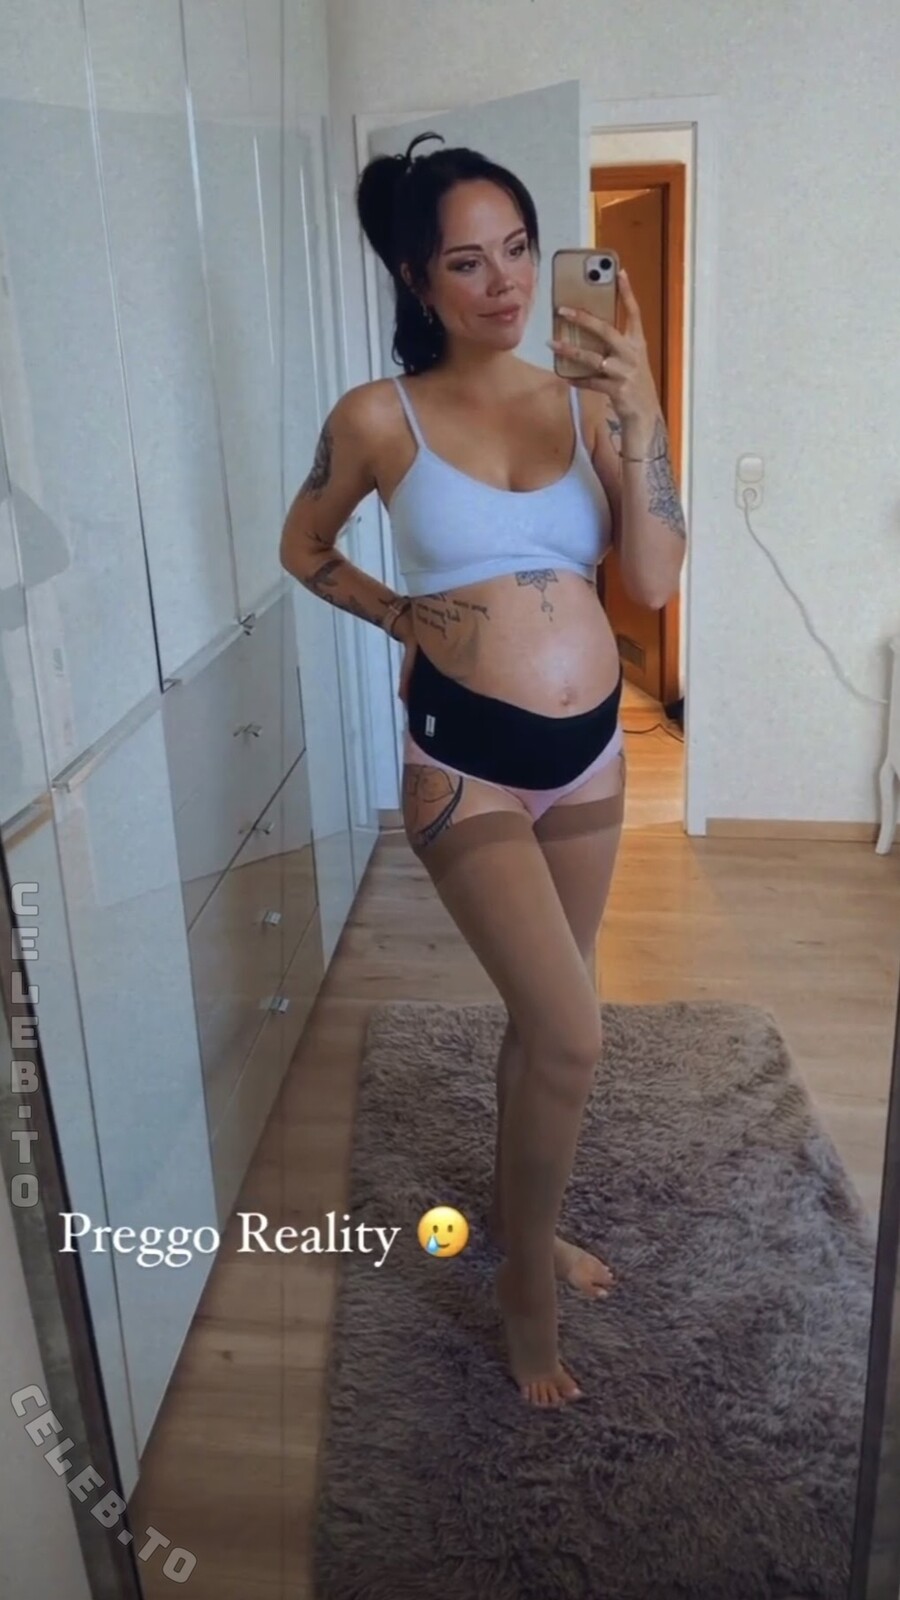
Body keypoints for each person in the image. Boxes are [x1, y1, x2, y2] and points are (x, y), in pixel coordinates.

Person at [279, 132, 686, 1408]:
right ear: (418, 278)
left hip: (592, 756)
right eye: (468, 261)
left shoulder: (585, 400)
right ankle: (521, 1285)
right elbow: (304, 547)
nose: (505, 283)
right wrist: (405, 617)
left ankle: (525, 1224)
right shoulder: (377, 416)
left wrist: (643, 408)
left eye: (519, 249)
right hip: (468, 767)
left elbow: (653, 578)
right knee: (574, 1030)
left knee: (539, 1021)